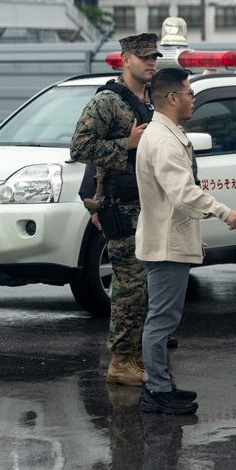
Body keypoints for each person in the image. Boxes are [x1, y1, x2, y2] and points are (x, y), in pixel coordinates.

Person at [135, 68, 236, 415]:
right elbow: (183, 193)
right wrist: (224, 212)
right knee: (161, 321)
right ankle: (155, 390)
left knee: (163, 319)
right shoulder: (164, 140)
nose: (192, 99)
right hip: (166, 243)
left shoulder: (164, 134)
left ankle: (160, 384)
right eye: (188, 93)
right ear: (172, 98)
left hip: (170, 237)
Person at [70, 33, 157, 386]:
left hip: (149, 202)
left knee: (147, 284)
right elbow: (80, 147)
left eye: (154, 56)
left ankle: (140, 352)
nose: (151, 61)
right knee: (128, 287)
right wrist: (128, 143)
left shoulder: (151, 99)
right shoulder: (108, 101)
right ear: (125, 60)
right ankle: (122, 360)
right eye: (144, 57)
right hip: (122, 206)